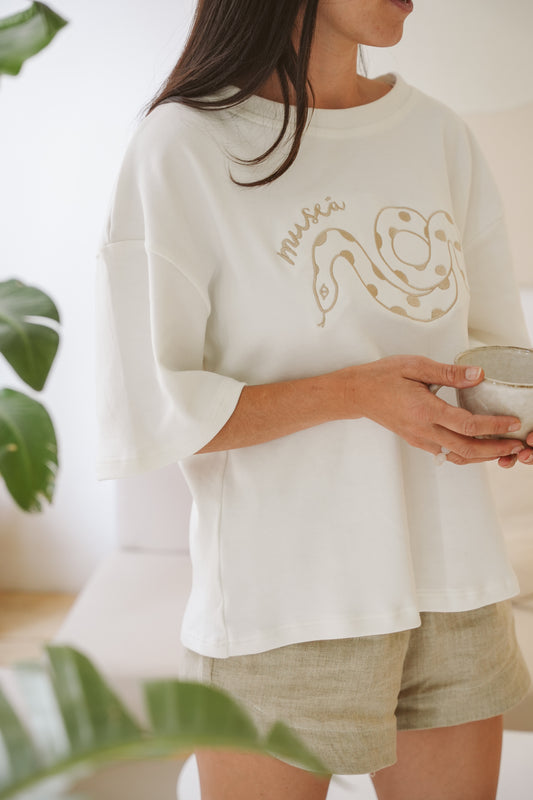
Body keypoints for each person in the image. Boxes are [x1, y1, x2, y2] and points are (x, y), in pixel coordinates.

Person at [95, 1, 533, 798]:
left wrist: (503, 422)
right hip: (283, 606)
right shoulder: (184, 147)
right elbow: (154, 410)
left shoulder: (436, 135)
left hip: (454, 585)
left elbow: (490, 352)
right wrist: (351, 394)